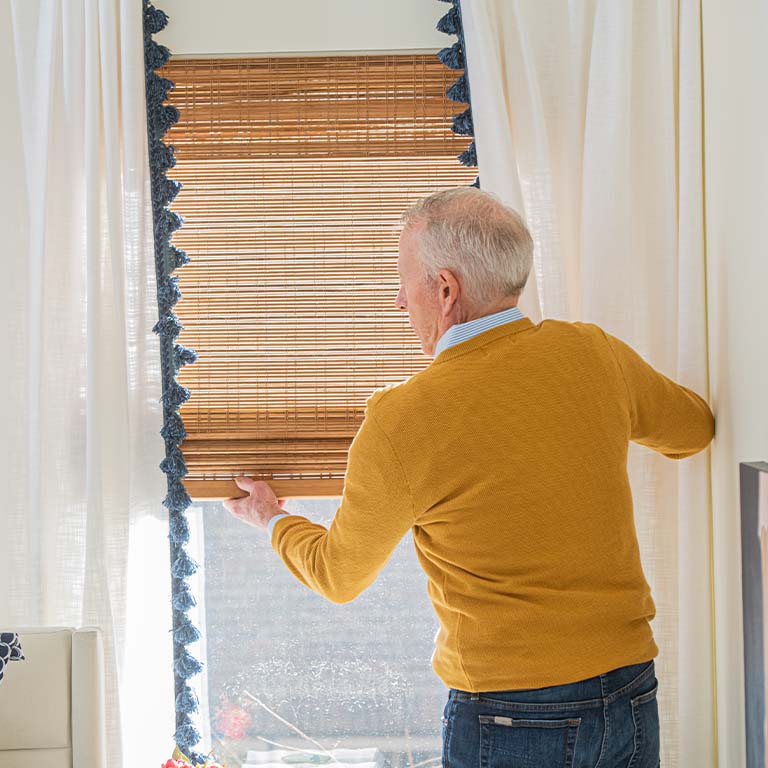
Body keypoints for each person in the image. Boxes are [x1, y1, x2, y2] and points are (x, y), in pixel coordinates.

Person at [224, 187, 715, 767]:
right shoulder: (593, 353)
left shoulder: (403, 418)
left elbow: (339, 575)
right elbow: (693, 430)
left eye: (404, 281)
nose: (399, 301)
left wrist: (272, 518)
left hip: (512, 710)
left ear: (446, 288)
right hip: (629, 685)